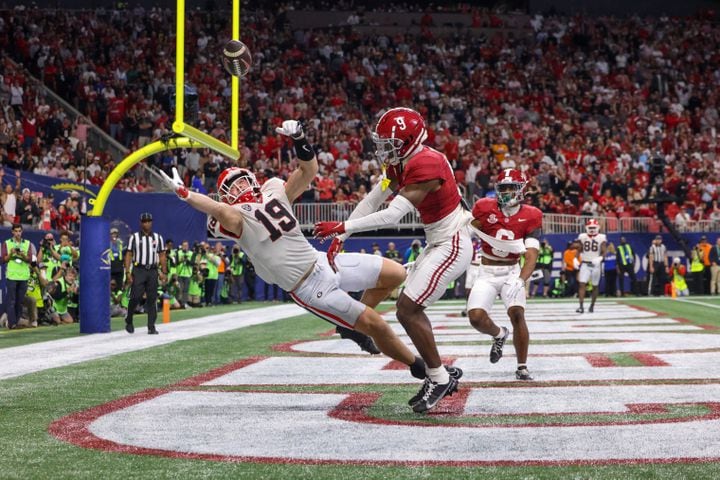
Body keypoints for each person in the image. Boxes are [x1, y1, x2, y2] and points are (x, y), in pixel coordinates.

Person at [157, 120, 454, 406]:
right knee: (376, 325)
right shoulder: (232, 218)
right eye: (231, 187)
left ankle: (352, 329)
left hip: (320, 261)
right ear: (224, 196)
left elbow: (308, 170)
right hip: (308, 288)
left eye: (241, 180)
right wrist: (187, 195)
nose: (239, 187)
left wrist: (299, 138)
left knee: (396, 273)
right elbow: (220, 212)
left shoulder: (273, 189)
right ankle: (424, 370)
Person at [314, 108, 471, 412]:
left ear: (410, 141)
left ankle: (438, 377)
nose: (386, 149)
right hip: (438, 240)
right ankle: (437, 374)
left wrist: (343, 227)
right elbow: (373, 199)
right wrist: (341, 238)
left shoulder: (427, 162)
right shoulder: (402, 161)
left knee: (408, 309)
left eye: (392, 143)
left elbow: (392, 214)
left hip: (452, 241)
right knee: (404, 303)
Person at [465, 168, 542, 381]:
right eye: (503, 187)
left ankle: (522, 366)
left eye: (512, 187)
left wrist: (520, 279)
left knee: (517, 313)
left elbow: (532, 254)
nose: (507, 192)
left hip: (511, 271)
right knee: (476, 318)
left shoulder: (532, 215)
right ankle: (499, 335)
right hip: (486, 271)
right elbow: (466, 232)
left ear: (522, 190)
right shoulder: (483, 207)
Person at [124, 212, 167, 334]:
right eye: (144, 221)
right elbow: (129, 254)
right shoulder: (135, 237)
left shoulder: (158, 238)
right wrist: (127, 272)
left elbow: (162, 255)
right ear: (140, 223)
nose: (146, 223)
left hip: (153, 270)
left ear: (151, 222)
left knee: (152, 299)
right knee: (136, 296)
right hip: (139, 270)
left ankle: (151, 326)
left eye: (148, 221)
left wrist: (164, 272)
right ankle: (129, 318)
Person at [1, 223, 36, 329]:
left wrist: (22, 255)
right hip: (12, 275)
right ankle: (12, 323)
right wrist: (11, 254)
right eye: (15, 231)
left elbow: (30, 260)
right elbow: (3, 260)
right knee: (11, 300)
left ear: (22, 232)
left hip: (23, 276)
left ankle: (16, 321)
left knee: (19, 301)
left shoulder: (27, 243)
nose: (17, 233)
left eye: (19, 231)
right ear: (12, 232)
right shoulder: (6, 243)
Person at [576, 218, 607, 313]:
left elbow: (604, 251)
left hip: (596, 264)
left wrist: (600, 258)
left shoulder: (601, 237)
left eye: (594, 227)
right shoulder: (582, 236)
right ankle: (581, 306)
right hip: (585, 263)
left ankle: (592, 305)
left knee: (595, 286)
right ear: (586, 227)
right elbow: (579, 249)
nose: (592, 229)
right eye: (590, 227)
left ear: (598, 227)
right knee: (582, 284)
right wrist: (575, 258)